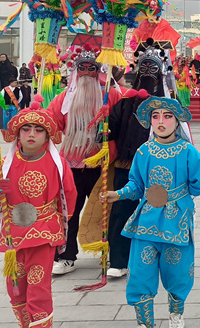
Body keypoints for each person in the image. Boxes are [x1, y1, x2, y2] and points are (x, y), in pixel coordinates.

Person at [101, 96, 200, 328]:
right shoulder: (143, 152)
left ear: (177, 121)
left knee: (178, 272)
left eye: (167, 116)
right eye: (155, 116)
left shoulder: (188, 152)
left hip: (177, 221)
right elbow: (136, 185)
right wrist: (118, 194)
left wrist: (182, 191)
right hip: (146, 220)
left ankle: (176, 314)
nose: (161, 121)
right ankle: (144, 322)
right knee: (140, 273)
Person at [0, 97, 77, 328]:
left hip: (44, 231)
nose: (31, 134)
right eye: (26, 129)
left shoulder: (57, 164)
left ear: (47, 135)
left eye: (38, 130)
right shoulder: (4, 164)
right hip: (14, 233)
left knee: (38, 286)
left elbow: (69, 196)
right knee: (15, 287)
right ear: (18, 134)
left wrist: (61, 223)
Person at [47, 46, 121, 275]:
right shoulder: (63, 99)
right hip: (71, 165)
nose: (87, 73)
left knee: (106, 211)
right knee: (68, 211)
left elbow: (123, 123)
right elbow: (50, 126)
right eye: (83, 68)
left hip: (102, 166)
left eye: (92, 68)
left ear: (99, 71)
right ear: (75, 71)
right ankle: (66, 256)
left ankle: (111, 254)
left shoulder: (111, 95)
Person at [106, 40, 170, 279]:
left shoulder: (168, 106)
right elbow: (111, 131)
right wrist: (104, 125)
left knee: (160, 212)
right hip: (127, 166)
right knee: (121, 211)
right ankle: (118, 260)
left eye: (153, 68)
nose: (148, 73)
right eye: (144, 68)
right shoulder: (124, 103)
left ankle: (158, 258)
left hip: (160, 168)